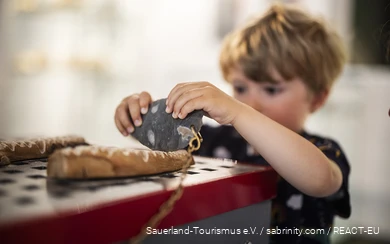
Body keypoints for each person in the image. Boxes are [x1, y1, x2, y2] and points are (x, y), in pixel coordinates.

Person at [114, 3, 351, 244]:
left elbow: (321, 181)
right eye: (240, 88)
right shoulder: (213, 142)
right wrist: (136, 116)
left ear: (317, 98)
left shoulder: (324, 151)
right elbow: (165, 141)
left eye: (271, 89)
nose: (251, 102)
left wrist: (239, 113)